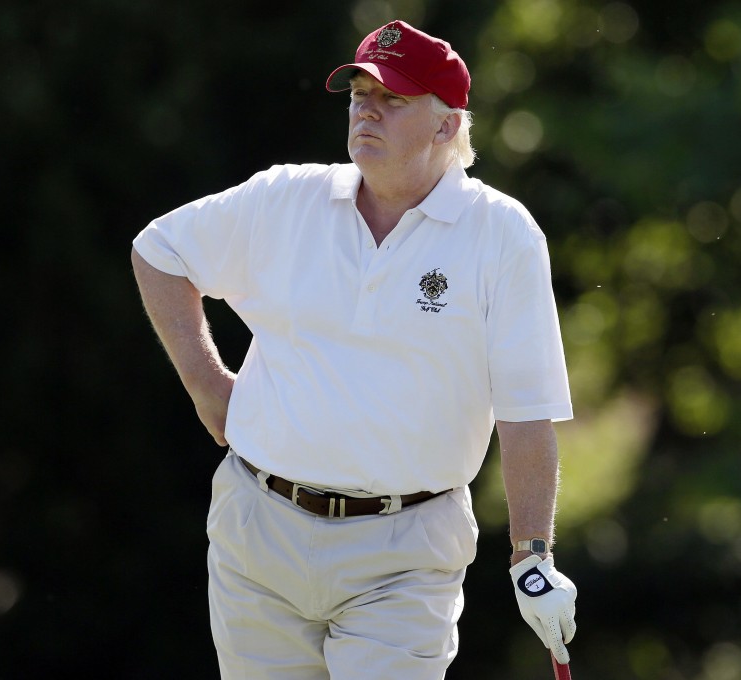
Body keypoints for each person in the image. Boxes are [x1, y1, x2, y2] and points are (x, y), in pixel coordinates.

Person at [131, 19, 577, 679]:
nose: (368, 109)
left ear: (447, 126)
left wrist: (532, 553)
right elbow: (160, 253)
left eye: (393, 98)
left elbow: (526, 411)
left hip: (405, 554)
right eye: (359, 93)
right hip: (258, 531)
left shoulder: (500, 235)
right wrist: (207, 383)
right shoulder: (287, 198)